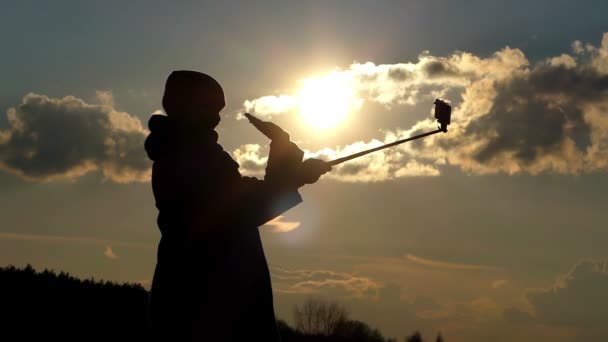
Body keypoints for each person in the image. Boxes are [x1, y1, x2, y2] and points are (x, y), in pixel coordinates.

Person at [145, 70, 331, 341]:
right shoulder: (187, 155)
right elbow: (243, 210)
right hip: (209, 304)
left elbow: (241, 198)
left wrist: (293, 174)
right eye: (210, 107)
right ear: (187, 105)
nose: (217, 117)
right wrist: (288, 160)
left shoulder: (189, 152)